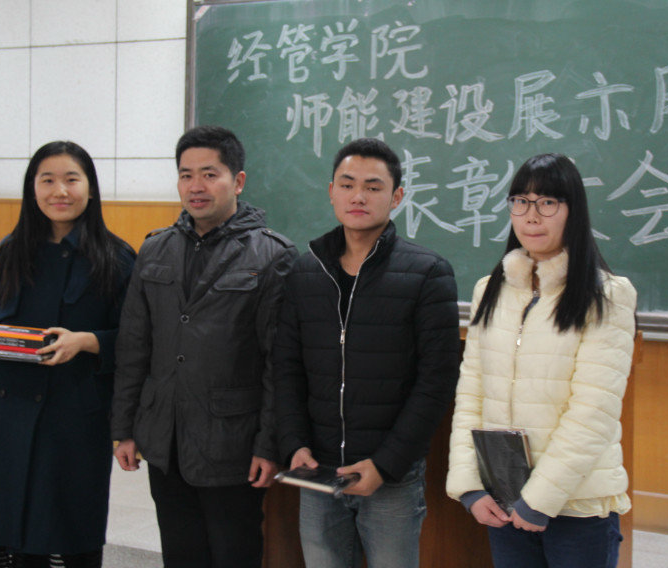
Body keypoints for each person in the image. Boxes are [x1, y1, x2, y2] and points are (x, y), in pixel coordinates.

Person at [110, 126, 297, 568]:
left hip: (233, 441)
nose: (196, 186)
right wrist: (124, 428)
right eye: (186, 175)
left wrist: (269, 445)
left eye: (210, 174)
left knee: (234, 554)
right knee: (181, 554)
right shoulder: (155, 249)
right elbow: (134, 347)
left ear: (238, 181)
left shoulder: (273, 256)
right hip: (165, 437)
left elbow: (279, 364)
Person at [272, 137, 461, 568]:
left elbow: (437, 380)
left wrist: (387, 463)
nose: (358, 196)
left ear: (396, 197)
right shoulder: (306, 270)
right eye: (347, 184)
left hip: (389, 477)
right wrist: (294, 443)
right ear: (331, 192)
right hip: (317, 470)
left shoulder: (428, 273)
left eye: (373, 187)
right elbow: (287, 367)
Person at [445, 153, 637, 568]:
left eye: (547, 202)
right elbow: (471, 395)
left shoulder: (606, 295)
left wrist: (539, 499)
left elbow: (594, 412)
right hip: (505, 497)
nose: (531, 216)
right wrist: (469, 485)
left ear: (573, 211)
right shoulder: (490, 290)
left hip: (576, 506)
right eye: (521, 201)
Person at [0, 141, 136, 568]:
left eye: (72, 179)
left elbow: (137, 338)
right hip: (6, 412)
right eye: (47, 180)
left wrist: (87, 341)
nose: (60, 191)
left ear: (90, 188)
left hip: (73, 416)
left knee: (63, 529)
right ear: (32, 188)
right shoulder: (11, 250)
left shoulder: (115, 256)